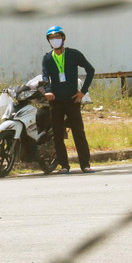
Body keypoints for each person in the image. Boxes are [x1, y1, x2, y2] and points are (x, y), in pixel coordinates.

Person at [41, 26, 96, 173]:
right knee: (57, 134)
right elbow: (45, 76)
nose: (55, 40)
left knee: (78, 132)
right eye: (51, 38)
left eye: (57, 37)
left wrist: (82, 92)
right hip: (56, 101)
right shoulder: (47, 58)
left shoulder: (74, 54)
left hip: (72, 100)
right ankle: (64, 165)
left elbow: (90, 70)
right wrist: (48, 91)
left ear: (63, 38)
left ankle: (85, 164)